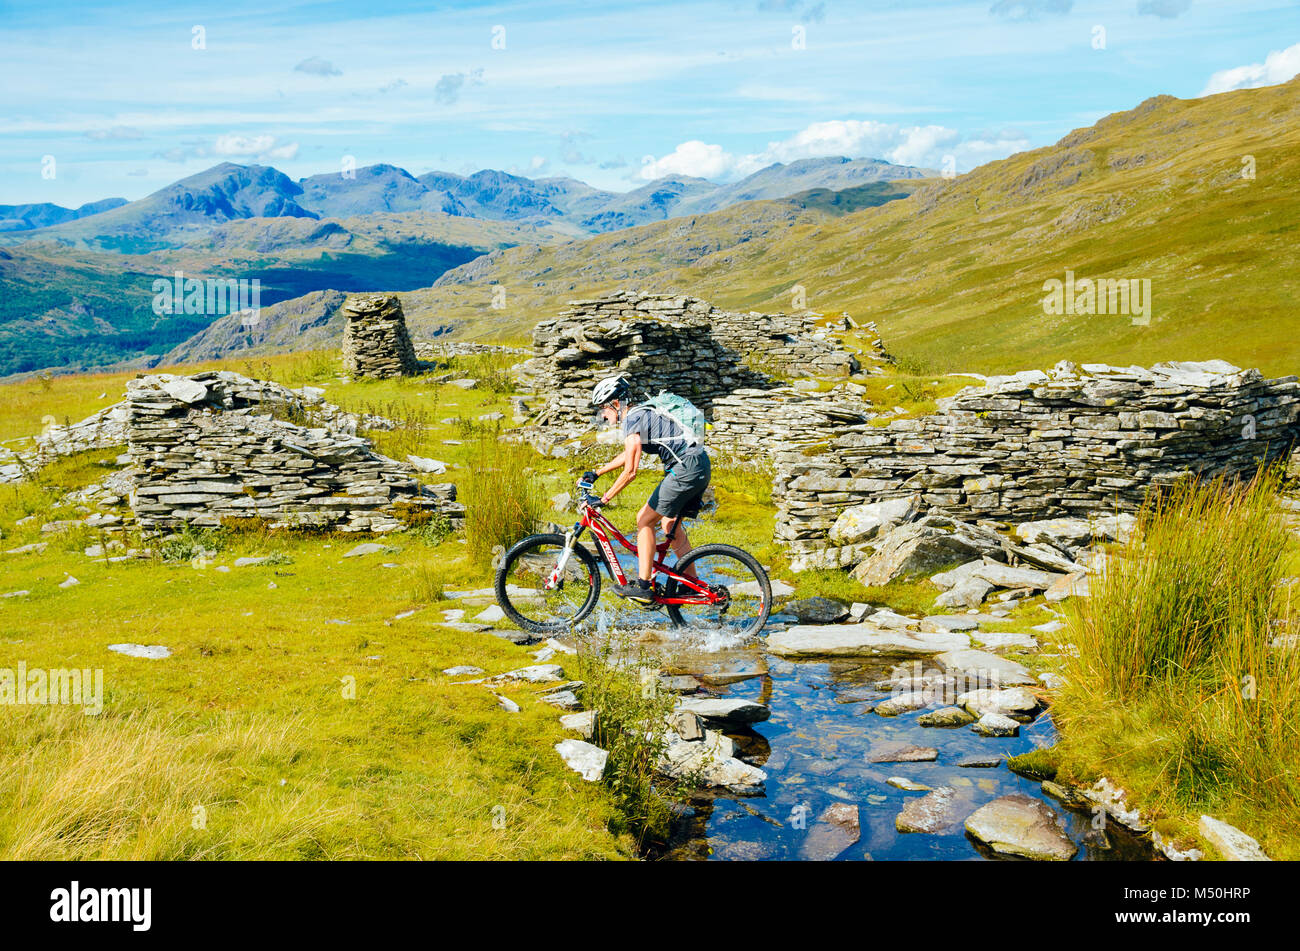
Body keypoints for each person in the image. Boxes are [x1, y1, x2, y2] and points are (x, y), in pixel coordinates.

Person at [587, 375, 711, 604]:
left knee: (644, 520)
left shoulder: (633, 418)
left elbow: (631, 470)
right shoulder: (642, 414)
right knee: (669, 525)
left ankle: (644, 586)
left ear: (615, 404)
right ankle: (692, 584)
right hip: (699, 464)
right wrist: (597, 473)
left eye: (603, 409)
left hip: (685, 468)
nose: (602, 416)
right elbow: (629, 454)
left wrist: (604, 499)